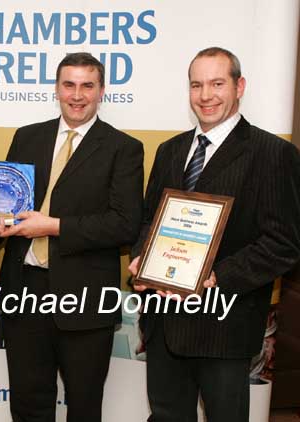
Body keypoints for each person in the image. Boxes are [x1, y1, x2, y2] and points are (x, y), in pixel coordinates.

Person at [129, 47, 300, 422]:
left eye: (217, 83)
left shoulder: (272, 153)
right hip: (164, 324)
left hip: (224, 325)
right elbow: (148, 220)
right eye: (197, 85)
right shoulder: (170, 150)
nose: (206, 95)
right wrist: (142, 258)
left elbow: (283, 244)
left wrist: (217, 275)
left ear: (239, 87)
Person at [0, 52, 144, 421]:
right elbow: (9, 205)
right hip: (25, 291)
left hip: (85, 298)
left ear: (102, 91)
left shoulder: (123, 148)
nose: (77, 95)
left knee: (83, 407)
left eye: (87, 85)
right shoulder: (27, 137)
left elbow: (125, 224)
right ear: (56, 88)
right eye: (69, 84)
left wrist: (54, 227)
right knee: (28, 404)